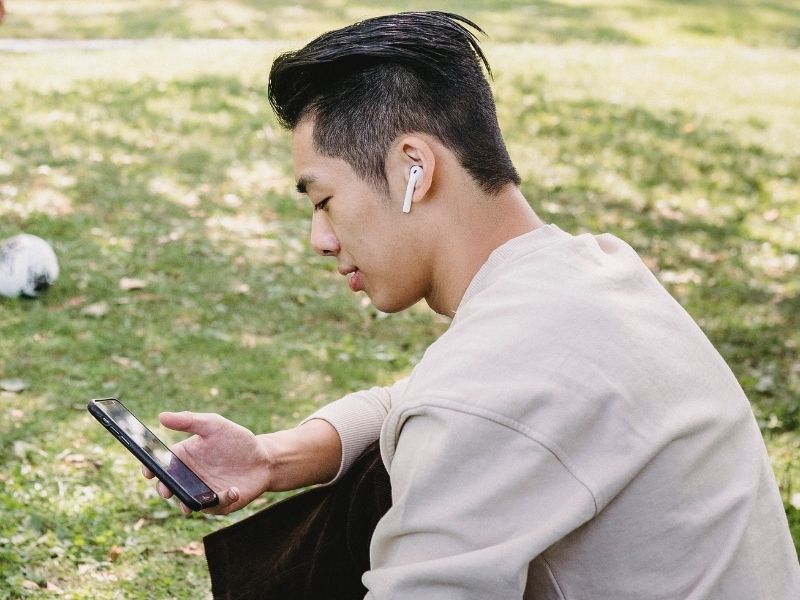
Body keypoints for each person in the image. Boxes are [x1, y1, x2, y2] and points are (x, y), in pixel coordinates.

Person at [143, 11, 800, 599]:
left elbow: (461, 408)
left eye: (322, 201)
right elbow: (418, 403)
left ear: (412, 169)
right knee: (380, 473)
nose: (319, 239)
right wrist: (270, 457)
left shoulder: (488, 387)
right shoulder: (591, 270)